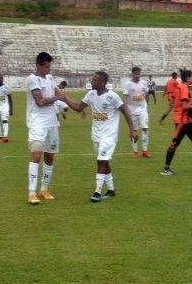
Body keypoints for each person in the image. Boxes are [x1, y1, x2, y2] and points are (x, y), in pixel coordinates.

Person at [60, 71, 137, 202]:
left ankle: (97, 192)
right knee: (103, 161)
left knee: (101, 161)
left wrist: (132, 130)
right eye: (92, 78)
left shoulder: (112, 96)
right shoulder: (91, 94)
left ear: (102, 82)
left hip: (109, 135)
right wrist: (65, 98)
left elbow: (126, 111)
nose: (92, 81)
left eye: (95, 79)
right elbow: (79, 107)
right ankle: (111, 190)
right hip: (96, 134)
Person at [25, 52, 66, 204]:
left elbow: (58, 94)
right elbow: (40, 101)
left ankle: (44, 189)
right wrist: (58, 97)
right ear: (39, 65)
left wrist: (65, 104)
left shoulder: (49, 78)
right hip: (37, 123)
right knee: (36, 155)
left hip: (52, 123)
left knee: (50, 156)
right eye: (47, 67)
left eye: (50, 66)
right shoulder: (32, 79)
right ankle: (31, 193)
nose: (49, 69)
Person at [123, 66, 151, 158]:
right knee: (133, 130)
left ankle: (145, 151)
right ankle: (135, 151)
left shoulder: (144, 83)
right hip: (132, 110)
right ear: (132, 74)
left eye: (138, 73)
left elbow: (147, 95)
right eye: (135, 73)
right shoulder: (128, 84)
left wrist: (146, 106)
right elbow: (125, 97)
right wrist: (126, 109)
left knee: (145, 128)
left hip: (143, 109)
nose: (137, 75)